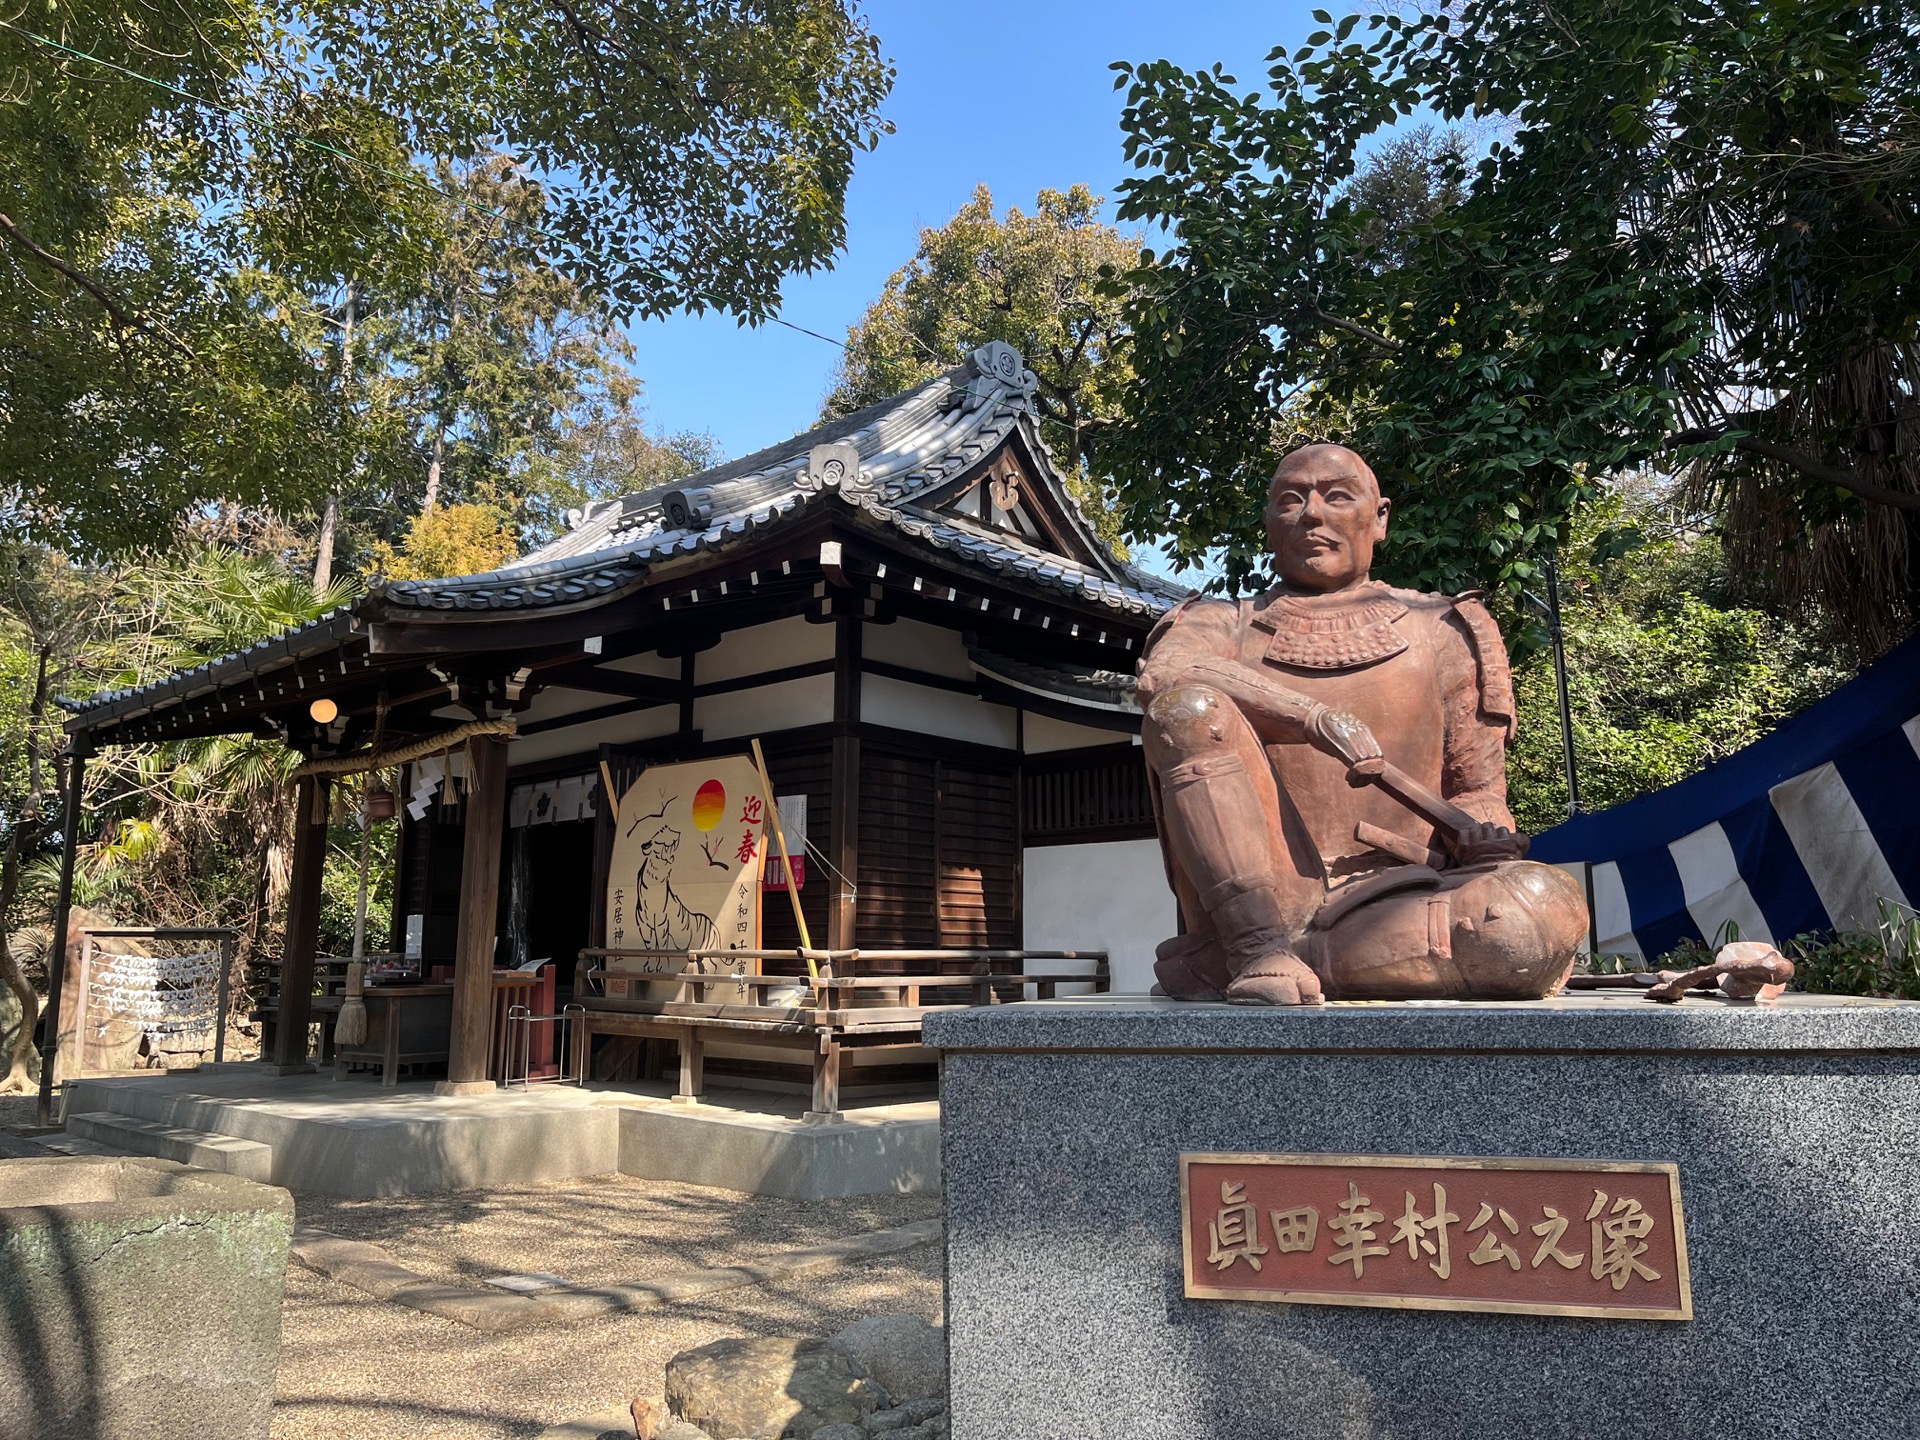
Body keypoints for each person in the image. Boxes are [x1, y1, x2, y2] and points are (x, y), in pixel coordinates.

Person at [1137, 443, 1588, 1005]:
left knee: (1524, 920)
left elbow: (1478, 791)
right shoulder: (1221, 623)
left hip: (1394, 898)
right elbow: (1165, 675)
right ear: (1270, 523)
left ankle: (1272, 961)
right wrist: (1310, 715)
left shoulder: (1444, 627)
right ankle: (1255, 948)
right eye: (1290, 501)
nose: (1312, 515)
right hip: (1256, 899)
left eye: (1338, 497)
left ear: (1380, 519)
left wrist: (1482, 831)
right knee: (1187, 709)